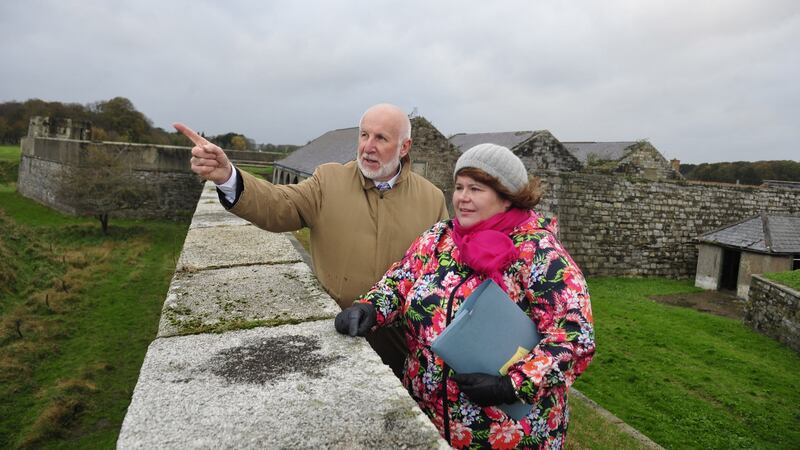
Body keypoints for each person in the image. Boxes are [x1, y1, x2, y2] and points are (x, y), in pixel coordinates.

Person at [335, 143, 595, 449]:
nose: (463, 198)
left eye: (476, 188)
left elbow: (575, 336)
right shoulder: (440, 238)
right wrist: (370, 308)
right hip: (427, 417)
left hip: (508, 433)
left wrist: (511, 386)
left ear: (507, 197)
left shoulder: (539, 254)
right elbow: (401, 281)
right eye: (459, 187)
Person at [174, 104, 448, 378]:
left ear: (404, 147)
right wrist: (228, 177)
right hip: (337, 339)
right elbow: (279, 204)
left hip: (400, 350)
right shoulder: (329, 180)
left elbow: (440, 278)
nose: (368, 146)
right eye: (364, 135)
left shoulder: (431, 199)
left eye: (381, 138)